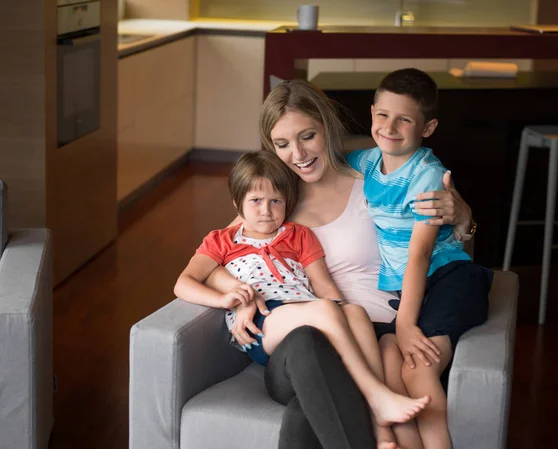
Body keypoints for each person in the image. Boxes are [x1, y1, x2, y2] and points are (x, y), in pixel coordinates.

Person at [205, 78, 476, 449]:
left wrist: (464, 218)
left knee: (313, 406)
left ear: (327, 128)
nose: (298, 154)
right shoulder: (274, 201)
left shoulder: (375, 177)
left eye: (307, 137)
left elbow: (441, 252)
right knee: (307, 344)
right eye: (282, 144)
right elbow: (215, 255)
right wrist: (240, 292)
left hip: (374, 330)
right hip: (303, 343)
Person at [174, 150, 431, 434]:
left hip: (307, 310)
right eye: (256, 201)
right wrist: (224, 298)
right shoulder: (222, 240)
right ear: (238, 203)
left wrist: (343, 315)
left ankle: (380, 426)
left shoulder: (298, 234)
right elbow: (184, 282)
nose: (266, 210)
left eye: (276, 201)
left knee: (355, 312)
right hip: (263, 321)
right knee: (325, 309)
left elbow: (324, 287)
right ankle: (376, 395)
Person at [346, 68, 493, 449]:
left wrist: (407, 323)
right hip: (414, 287)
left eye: (404, 119)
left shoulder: (427, 176)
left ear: (427, 128)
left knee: (420, 369)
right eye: (383, 115)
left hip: (449, 278)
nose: (389, 127)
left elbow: (420, 255)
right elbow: (323, 166)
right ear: (372, 111)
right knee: (390, 356)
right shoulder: (364, 163)